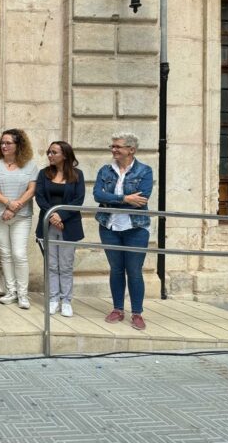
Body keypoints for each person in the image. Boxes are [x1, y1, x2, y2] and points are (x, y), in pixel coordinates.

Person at [93, 131, 153, 331]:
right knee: (116, 269)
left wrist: (112, 198)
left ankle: (137, 313)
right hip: (109, 226)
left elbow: (142, 199)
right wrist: (125, 199)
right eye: (113, 146)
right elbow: (97, 195)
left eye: (118, 146)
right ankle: (118, 309)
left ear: (131, 150)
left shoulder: (144, 171)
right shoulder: (105, 170)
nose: (113, 150)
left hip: (135, 228)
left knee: (134, 271)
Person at [0, 128, 37, 309]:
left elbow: (31, 190)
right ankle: (11, 291)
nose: (4, 146)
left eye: (8, 143)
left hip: (21, 216)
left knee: (19, 254)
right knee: (5, 254)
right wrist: (8, 203)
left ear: (18, 145)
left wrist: (15, 208)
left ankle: (23, 294)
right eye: (2, 143)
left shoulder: (30, 165)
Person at [34, 141, 85, 318]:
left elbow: (78, 201)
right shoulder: (44, 174)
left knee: (65, 265)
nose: (50, 155)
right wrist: (53, 216)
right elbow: (39, 198)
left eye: (54, 152)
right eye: (49, 152)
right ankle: (53, 299)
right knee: (51, 265)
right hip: (48, 224)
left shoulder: (77, 175)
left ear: (65, 155)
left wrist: (60, 216)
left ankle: (67, 301)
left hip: (68, 226)